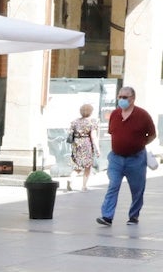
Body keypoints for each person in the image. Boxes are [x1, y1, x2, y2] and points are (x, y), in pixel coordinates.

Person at [97, 86, 156, 226]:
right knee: (113, 185)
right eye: (120, 97)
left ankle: (134, 216)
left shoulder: (143, 115)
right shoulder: (115, 114)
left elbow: (152, 135)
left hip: (136, 158)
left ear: (133, 99)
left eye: (125, 97)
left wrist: (140, 144)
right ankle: (107, 216)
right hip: (116, 158)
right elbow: (113, 133)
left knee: (137, 189)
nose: (121, 100)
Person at [66, 103, 99, 193]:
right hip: (86, 144)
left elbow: (70, 132)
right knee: (87, 166)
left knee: (78, 165)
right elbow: (93, 137)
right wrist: (97, 149)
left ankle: (71, 179)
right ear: (91, 112)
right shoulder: (91, 122)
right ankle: (84, 186)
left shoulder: (75, 121)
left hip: (76, 144)